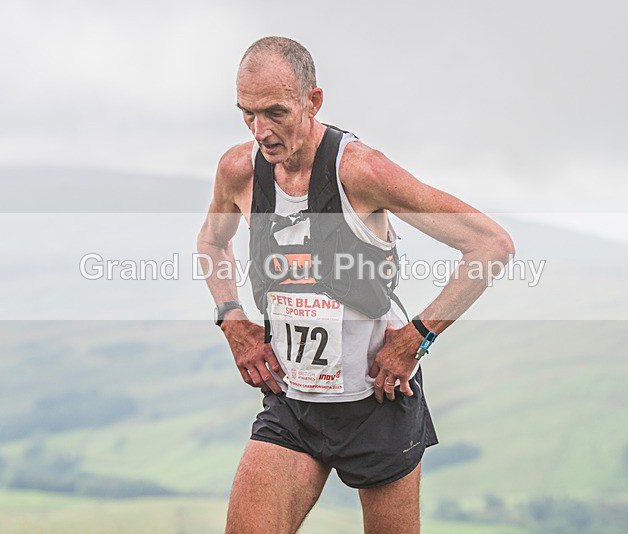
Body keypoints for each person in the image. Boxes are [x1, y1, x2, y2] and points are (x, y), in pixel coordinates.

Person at [197, 36, 514, 534]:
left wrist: (417, 337)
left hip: (378, 402)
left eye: (276, 112)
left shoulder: (360, 171)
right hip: (293, 403)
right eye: (247, 114)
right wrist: (231, 318)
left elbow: (490, 245)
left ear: (313, 101)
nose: (261, 130)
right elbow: (213, 242)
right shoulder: (238, 170)